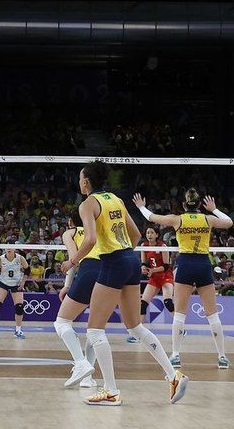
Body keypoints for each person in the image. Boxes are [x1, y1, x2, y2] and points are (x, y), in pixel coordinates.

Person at [64, 162, 186, 407]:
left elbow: (89, 239)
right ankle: (174, 375)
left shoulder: (87, 204)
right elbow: (136, 235)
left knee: (95, 330)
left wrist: (72, 261)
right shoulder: (116, 199)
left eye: (80, 178)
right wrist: (123, 255)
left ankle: (111, 391)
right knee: (135, 327)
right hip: (130, 259)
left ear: (86, 182)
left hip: (113, 263)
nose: (80, 182)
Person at [133, 189, 232, 369]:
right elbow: (229, 222)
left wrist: (141, 207)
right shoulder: (208, 219)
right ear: (200, 205)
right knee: (212, 315)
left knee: (179, 314)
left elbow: (152, 217)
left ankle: (176, 355)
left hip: (186, 264)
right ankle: (222, 357)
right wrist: (215, 209)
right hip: (203, 264)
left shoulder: (177, 219)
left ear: (185, 205)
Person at [53, 209, 99, 389]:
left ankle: (80, 363)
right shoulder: (97, 229)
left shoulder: (70, 232)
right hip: (110, 274)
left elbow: (73, 259)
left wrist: (66, 285)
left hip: (89, 272)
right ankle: (88, 379)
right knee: (96, 329)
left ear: (71, 222)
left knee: (61, 322)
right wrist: (67, 285)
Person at [127, 226, 174, 343]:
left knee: (168, 303)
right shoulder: (143, 246)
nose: (149, 235)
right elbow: (144, 262)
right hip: (154, 278)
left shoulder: (162, 246)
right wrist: (143, 268)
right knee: (143, 304)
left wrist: (153, 270)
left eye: (152, 232)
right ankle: (139, 334)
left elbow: (166, 266)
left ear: (157, 235)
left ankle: (180, 327)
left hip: (165, 276)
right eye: (147, 232)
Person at [0, 248, 29, 339]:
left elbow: (27, 270)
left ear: (14, 248)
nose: (9, 248)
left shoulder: (20, 258)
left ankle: (18, 330)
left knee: (19, 307)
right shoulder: (0, 259)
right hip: (3, 283)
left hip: (16, 284)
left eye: (11, 247)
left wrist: (23, 282)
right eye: (7, 247)